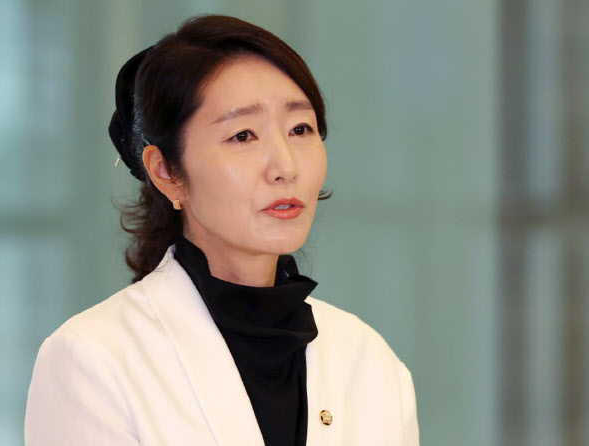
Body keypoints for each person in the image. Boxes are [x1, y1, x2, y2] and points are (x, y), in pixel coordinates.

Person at [24, 13, 419, 446]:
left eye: (300, 129)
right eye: (243, 135)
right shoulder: (93, 361)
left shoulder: (370, 362)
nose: (286, 167)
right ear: (166, 172)